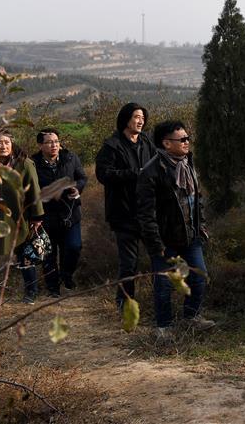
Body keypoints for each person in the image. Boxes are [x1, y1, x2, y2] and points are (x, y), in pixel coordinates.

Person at [136, 120, 213, 338]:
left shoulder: (188, 163)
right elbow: (146, 213)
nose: (187, 143)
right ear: (166, 144)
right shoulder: (151, 171)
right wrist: (155, 243)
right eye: (183, 139)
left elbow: (196, 199)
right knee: (164, 283)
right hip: (164, 239)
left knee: (199, 277)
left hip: (190, 235)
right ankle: (164, 327)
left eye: (188, 138)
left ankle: (191, 318)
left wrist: (202, 225)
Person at [95, 102, 156, 309]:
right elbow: (103, 174)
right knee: (129, 264)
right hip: (123, 213)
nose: (140, 121)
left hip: (147, 212)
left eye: (142, 117)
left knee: (159, 256)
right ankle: (124, 303)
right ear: (125, 119)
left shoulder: (147, 141)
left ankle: (160, 300)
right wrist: (133, 174)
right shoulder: (111, 145)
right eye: (136, 117)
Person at [0, 129, 44, 304]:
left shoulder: (24, 164)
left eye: (7, 142)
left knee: (24, 253)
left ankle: (31, 292)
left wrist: (37, 216)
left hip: (18, 216)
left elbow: (35, 190)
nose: (3, 146)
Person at [31, 128, 87, 297]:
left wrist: (77, 189)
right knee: (48, 253)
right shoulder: (33, 163)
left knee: (73, 246)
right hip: (45, 215)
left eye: (56, 141)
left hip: (70, 213)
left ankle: (67, 275)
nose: (54, 145)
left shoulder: (70, 158)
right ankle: (53, 288)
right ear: (40, 145)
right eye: (49, 142)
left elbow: (82, 177)